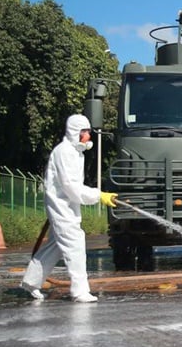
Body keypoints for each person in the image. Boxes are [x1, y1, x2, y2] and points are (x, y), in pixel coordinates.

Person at [19, 114, 118, 303]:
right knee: (75, 246)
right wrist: (98, 195)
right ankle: (79, 291)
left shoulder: (75, 152)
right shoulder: (65, 152)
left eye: (89, 131)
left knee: (55, 246)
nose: (89, 135)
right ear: (76, 132)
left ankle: (31, 282)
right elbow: (71, 187)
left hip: (67, 206)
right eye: (85, 132)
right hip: (61, 207)